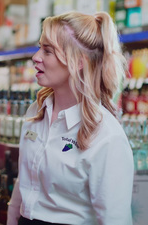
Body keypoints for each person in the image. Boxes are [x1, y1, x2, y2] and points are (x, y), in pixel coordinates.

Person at [7, 11, 134, 225]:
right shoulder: (35, 112)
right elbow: (25, 183)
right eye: (40, 47)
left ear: (78, 61)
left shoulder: (106, 136)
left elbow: (115, 219)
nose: (35, 57)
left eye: (48, 51)